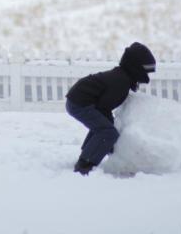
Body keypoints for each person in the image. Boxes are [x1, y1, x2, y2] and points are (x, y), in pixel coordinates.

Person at [65, 41, 156, 175]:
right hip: (79, 103)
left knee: (105, 128)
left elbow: (103, 110)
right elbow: (103, 108)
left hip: (79, 100)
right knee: (108, 132)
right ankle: (85, 164)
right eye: (145, 71)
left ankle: (87, 154)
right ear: (136, 68)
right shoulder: (120, 82)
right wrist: (110, 143)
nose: (146, 76)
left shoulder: (122, 77)